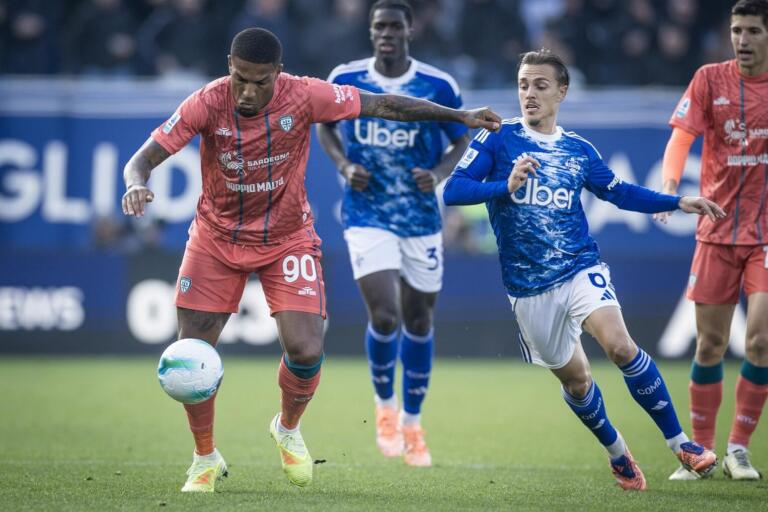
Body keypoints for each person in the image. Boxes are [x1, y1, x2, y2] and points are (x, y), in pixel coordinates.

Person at [121, 27, 500, 492]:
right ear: (229, 66)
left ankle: (287, 427)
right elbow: (141, 159)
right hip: (215, 241)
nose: (248, 91)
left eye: (260, 81)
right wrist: (136, 183)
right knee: (192, 357)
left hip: (287, 239)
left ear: (277, 74)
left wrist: (458, 115)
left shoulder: (305, 95)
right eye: (240, 77)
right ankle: (203, 457)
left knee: (306, 350)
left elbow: (384, 104)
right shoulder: (206, 102)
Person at [442, 49, 724, 491]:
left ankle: (681, 443)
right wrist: (505, 184)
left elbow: (619, 192)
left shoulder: (578, 150)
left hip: (580, 266)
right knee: (577, 382)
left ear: (562, 91)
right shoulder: (498, 138)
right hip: (527, 287)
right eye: (522, 85)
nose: (529, 94)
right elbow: (454, 191)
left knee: (620, 346)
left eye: (539, 85)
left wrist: (677, 201)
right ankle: (618, 453)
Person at [315, 0, 469, 467]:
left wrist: (440, 171)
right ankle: (385, 409)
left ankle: (413, 421)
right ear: (370, 31)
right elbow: (324, 126)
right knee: (385, 315)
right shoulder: (345, 77)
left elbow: (462, 135)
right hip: (366, 213)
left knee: (419, 320)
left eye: (394, 26)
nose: (386, 33)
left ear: (409, 31)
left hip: (421, 218)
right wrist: (344, 165)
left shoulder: (437, 85)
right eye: (378, 26)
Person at [655, 0, 768, 481]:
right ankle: (700, 453)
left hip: (765, 236)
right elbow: (681, 137)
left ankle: (738, 449)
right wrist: (668, 188)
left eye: (752, 31)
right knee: (710, 346)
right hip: (717, 231)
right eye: (736, 30)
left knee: (761, 342)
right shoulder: (709, 79)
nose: (742, 39)